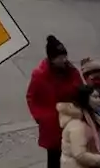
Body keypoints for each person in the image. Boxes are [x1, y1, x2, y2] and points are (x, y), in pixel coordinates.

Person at [27, 35, 83, 168]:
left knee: (72, 156)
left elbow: (79, 87)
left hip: (71, 120)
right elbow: (31, 97)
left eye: (65, 56)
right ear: (52, 58)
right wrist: (40, 117)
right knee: (53, 159)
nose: (64, 60)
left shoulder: (71, 71)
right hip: (52, 124)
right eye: (60, 57)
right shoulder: (40, 75)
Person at [57, 85, 100, 168]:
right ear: (85, 98)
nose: (99, 100)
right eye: (95, 97)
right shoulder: (77, 124)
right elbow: (80, 155)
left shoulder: (94, 118)